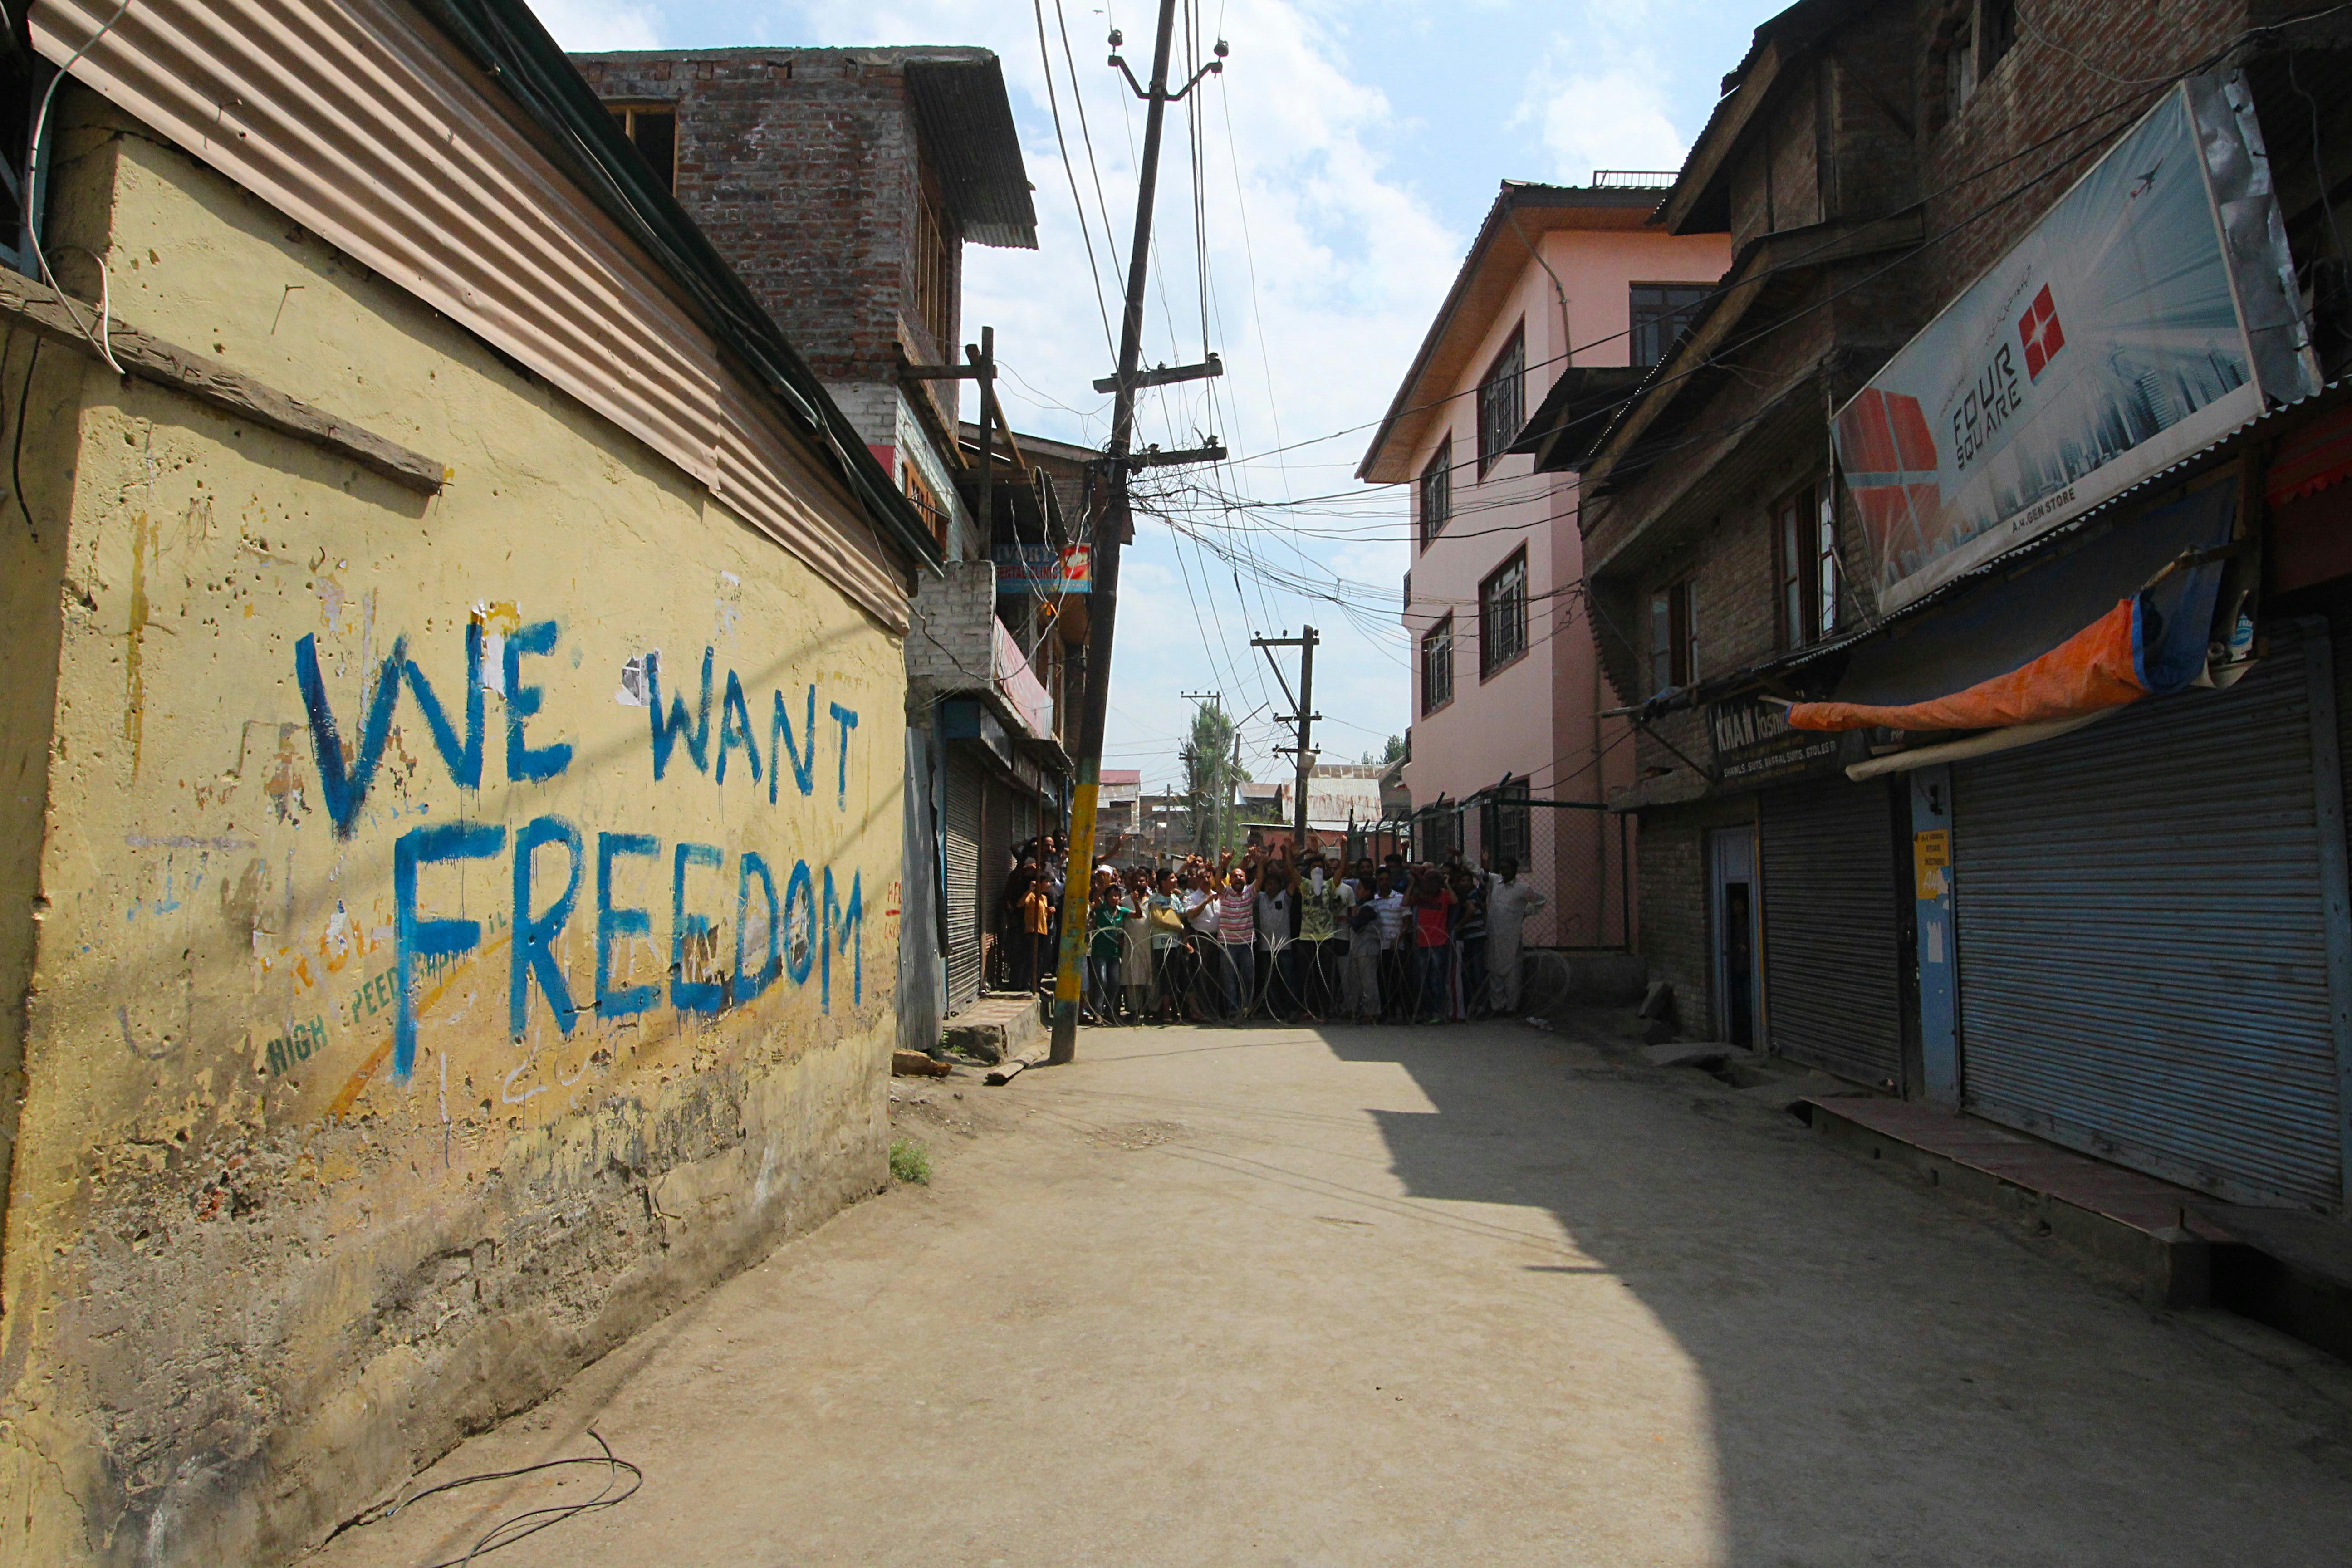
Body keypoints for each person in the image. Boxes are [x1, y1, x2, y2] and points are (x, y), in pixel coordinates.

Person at [1485, 858, 1546, 1014]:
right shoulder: (1495, 882)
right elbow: (1479, 873)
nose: (1504, 872)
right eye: (1502, 868)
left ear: (1514, 870)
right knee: (1495, 973)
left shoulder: (1522, 889)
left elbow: (1541, 901)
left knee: (1512, 975)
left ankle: (1511, 1008)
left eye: (1507, 868)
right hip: (1494, 936)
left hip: (1511, 938)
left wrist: (1525, 913)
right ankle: (1497, 1007)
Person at [1298, 854, 1349, 1022]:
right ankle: (1309, 1009)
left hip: (1326, 937)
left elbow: (1341, 870)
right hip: (1307, 937)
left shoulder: (1330, 886)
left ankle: (1324, 1011)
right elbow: (1290, 872)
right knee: (1308, 976)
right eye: (1314, 868)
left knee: (1325, 975)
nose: (1317, 870)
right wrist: (1289, 852)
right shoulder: (1305, 886)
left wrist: (1343, 849)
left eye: (1320, 867)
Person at [1406, 866, 1456, 1025]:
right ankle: (1426, 1012)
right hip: (1423, 942)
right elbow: (1405, 902)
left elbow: (1455, 900)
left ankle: (1439, 1012)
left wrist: (1447, 885)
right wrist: (1412, 885)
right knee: (1423, 981)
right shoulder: (1421, 897)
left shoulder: (1444, 896)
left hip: (1440, 943)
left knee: (1437, 980)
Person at [1254, 848, 1298, 1022]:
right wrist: (1261, 864)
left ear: (1279, 886)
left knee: (1288, 980)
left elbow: (1294, 880)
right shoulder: (1261, 897)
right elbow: (1258, 881)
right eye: (1268, 884)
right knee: (1269, 982)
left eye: (1274, 884)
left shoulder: (1285, 897)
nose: (1271, 887)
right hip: (1266, 947)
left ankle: (1292, 1010)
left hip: (1284, 946)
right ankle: (1272, 1011)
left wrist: (1287, 856)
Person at [1215, 852, 1259, 1023]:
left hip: (1247, 943)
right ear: (1231, 881)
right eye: (1235, 877)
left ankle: (1246, 1009)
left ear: (1245, 878)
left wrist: (1260, 864)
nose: (1238, 879)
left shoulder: (1250, 893)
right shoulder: (1225, 893)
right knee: (1230, 980)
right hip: (1228, 944)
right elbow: (1218, 879)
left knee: (1248, 977)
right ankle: (1233, 1011)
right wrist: (1223, 864)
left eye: (1241, 876)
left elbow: (1260, 881)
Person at [1342, 866, 1383, 1024]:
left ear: (1368, 892)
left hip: (1367, 949)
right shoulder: (1363, 907)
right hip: (1360, 949)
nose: (1357, 891)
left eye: (1360, 888)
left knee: (1369, 982)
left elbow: (1358, 925)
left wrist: (1349, 919)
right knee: (1361, 982)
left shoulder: (1369, 908)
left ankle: (1372, 1012)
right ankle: (1364, 1010)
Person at [1087, 873, 1128, 1024]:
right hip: (1100, 952)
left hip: (1114, 953)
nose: (1114, 898)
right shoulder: (1102, 908)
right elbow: (1095, 899)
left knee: (1115, 982)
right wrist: (1104, 887)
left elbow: (1137, 915)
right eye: (1111, 896)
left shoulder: (1121, 912)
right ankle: (1097, 1013)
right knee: (1101, 981)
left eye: (1117, 896)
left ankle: (1110, 1011)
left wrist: (1135, 902)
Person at [1147, 868, 1187, 1021]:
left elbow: (1181, 918)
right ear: (1163, 882)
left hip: (1176, 943)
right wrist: (1178, 927)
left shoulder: (1175, 899)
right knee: (1166, 979)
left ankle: (1179, 1011)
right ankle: (1166, 1012)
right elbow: (1158, 920)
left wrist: (1184, 937)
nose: (1175, 880)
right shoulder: (1155, 899)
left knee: (1180, 977)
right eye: (1171, 878)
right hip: (1162, 945)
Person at [1371, 871, 1409, 1022]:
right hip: (1381, 947)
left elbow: (1407, 923)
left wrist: (1398, 939)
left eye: (1387, 879)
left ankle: (1403, 1014)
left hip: (1397, 947)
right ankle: (1387, 1012)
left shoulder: (1400, 898)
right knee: (1383, 981)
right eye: (1381, 880)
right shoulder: (1374, 901)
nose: (1384, 883)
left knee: (1399, 981)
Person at [1452, 868, 1488, 1019]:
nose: (1466, 883)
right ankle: (1470, 1005)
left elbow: (1484, 884)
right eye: (1463, 881)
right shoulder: (1458, 898)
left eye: (1468, 880)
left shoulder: (1475, 895)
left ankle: (1481, 1005)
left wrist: (1485, 867)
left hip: (1477, 937)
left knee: (1477, 972)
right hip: (1465, 939)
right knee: (1466, 973)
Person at [1120, 868, 1153, 1022]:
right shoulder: (1124, 901)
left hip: (1149, 943)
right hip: (1131, 943)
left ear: (1147, 882)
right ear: (1131, 883)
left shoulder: (1153, 900)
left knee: (1149, 977)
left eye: (1142, 881)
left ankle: (1150, 1009)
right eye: (1137, 881)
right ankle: (1134, 1010)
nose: (1140, 884)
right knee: (1133, 977)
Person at [1014, 864, 1053, 993]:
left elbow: (1044, 916)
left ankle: (1035, 983)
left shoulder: (1045, 898)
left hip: (1043, 931)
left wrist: (1050, 912)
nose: (1049, 885)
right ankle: (1025, 983)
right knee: (1030, 958)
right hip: (1032, 931)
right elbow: (1020, 905)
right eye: (1047, 882)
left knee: (1040, 959)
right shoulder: (1031, 896)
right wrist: (1030, 891)